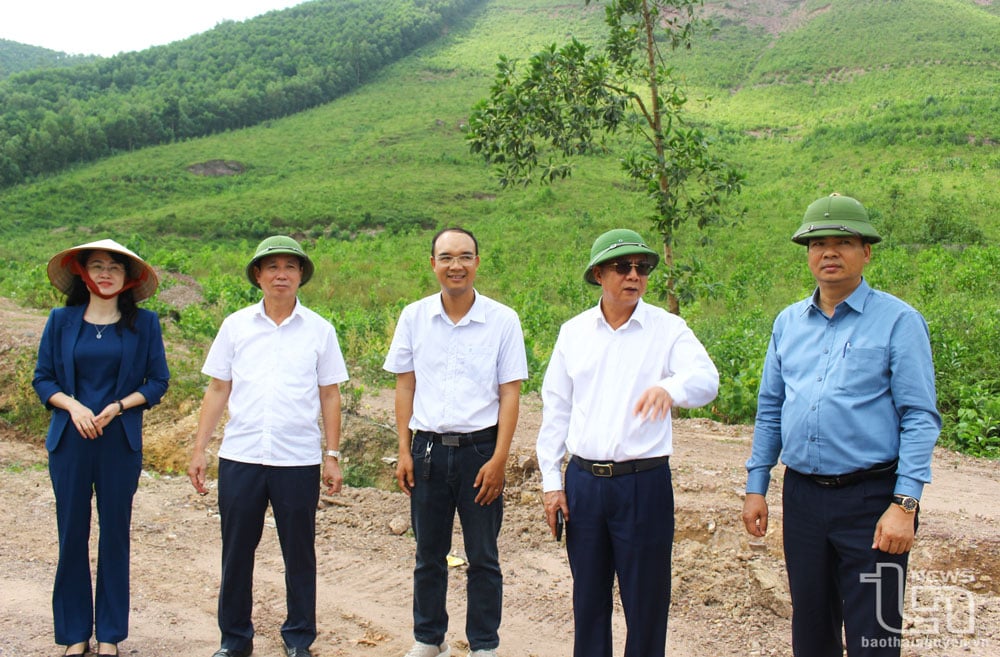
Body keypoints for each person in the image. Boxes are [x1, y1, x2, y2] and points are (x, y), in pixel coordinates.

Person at [741, 193, 941, 657]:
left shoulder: (899, 322)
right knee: (811, 634)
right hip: (803, 498)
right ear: (808, 254)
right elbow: (771, 406)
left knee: (874, 638)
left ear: (866, 251)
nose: (828, 252)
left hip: (871, 501)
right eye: (817, 243)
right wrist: (757, 485)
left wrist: (904, 505)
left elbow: (920, 417)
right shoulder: (788, 323)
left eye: (843, 242)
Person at [536, 228, 719, 657]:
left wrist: (671, 389)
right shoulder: (574, 332)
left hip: (644, 484)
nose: (633, 275)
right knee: (588, 599)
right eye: (622, 267)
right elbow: (556, 408)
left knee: (647, 601)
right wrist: (551, 482)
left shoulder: (668, 329)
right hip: (584, 482)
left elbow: (706, 379)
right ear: (599, 274)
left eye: (642, 268)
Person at [187, 235, 348, 657]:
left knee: (300, 553)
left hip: (297, 459)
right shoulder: (236, 326)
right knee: (236, 551)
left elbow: (330, 394)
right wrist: (200, 448)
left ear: (300, 276)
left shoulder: (319, 330)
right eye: (272, 266)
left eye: (290, 267)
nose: (282, 274)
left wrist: (331, 456)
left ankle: (299, 639)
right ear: (258, 275)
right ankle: (235, 640)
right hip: (241, 456)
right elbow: (219, 387)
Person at [384, 227, 528, 657]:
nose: (456, 265)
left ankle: (484, 644)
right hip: (426, 450)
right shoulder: (414, 317)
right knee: (429, 555)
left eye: (465, 256)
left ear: (477, 263)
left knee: (483, 556)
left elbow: (510, 394)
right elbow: (404, 388)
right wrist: (405, 450)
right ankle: (429, 639)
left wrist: (500, 458)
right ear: (433, 264)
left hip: (480, 452)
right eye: (446, 257)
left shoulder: (503, 320)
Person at [33, 239, 170, 657]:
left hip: (119, 443)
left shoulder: (144, 324)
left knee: (115, 536)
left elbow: (157, 382)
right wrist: (73, 406)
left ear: (129, 278)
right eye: (97, 265)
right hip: (70, 442)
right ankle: (75, 634)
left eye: (115, 267)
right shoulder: (60, 321)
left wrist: (117, 406)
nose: (105, 273)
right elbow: (43, 379)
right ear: (82, 272)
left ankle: (109, 634)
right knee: (71, 534)